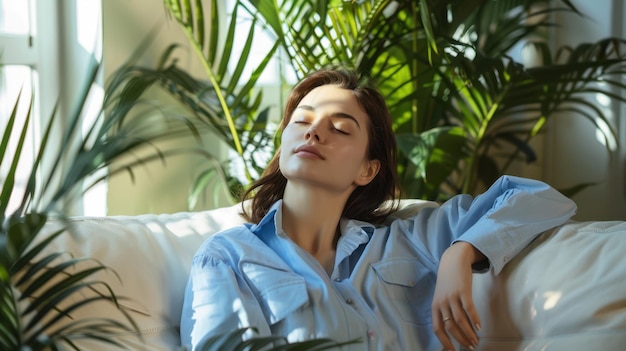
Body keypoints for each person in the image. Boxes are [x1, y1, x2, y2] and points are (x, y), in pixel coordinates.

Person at [180, 68, 576, 351]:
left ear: (368, 169)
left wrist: (462, 252)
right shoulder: (229, 258)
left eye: (339, 128)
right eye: (302, 121)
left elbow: (537, 197)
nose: (314, 132)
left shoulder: (413, 238)